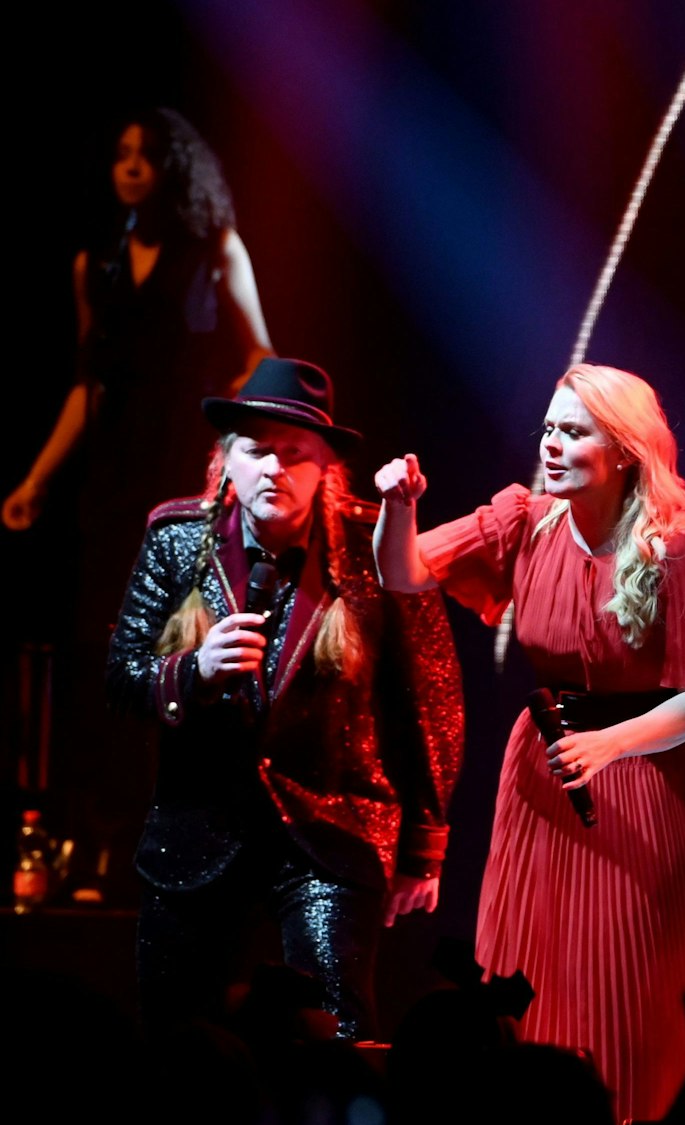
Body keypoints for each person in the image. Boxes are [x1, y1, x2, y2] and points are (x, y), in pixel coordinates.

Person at [372, 363, 685, 1121]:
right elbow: (404, 571)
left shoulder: (682, 547)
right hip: (547, 772)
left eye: (573, 431)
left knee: (636, 980)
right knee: (540, 970)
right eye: (548, 426)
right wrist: (397, 508)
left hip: (659, 784)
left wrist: (610, 745)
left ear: (622, 450)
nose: (550, 443)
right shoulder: (526, 519)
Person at [105, 357, 462, 1039]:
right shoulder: (177, 539)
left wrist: (426, 842)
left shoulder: (369, 543)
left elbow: (428, 691)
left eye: (294, 454)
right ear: (226, 461)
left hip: (331, 828)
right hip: (198, 831)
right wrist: (192, 671)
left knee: (338, 1034)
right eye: (256, 450)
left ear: (325, 463)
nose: (274, 468)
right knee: (178, 1037)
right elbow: (121, 676)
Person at [8, 107, 273, 534]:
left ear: (173, 166)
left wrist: (241, 393)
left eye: (146, 155)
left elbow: (259, 350)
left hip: (189, 450)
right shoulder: (94, 266)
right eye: (123, 155)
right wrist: (36, 479)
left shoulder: (215, 249)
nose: (131, 168)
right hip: (116, 462)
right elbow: (88, 383)